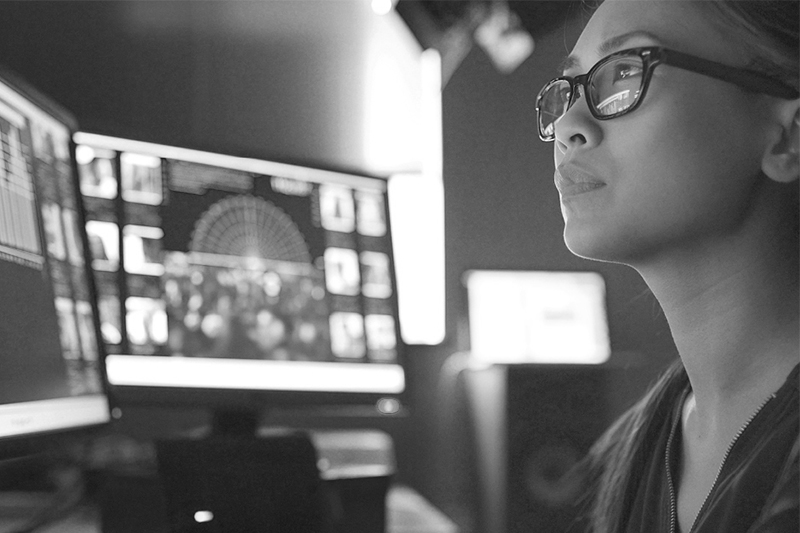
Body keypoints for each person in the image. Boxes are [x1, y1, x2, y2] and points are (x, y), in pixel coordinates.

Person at [533, 0, 799, 531]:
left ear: (787, 136)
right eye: (566, 91)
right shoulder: (635, 445)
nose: (568, 126)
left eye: (624, 74)